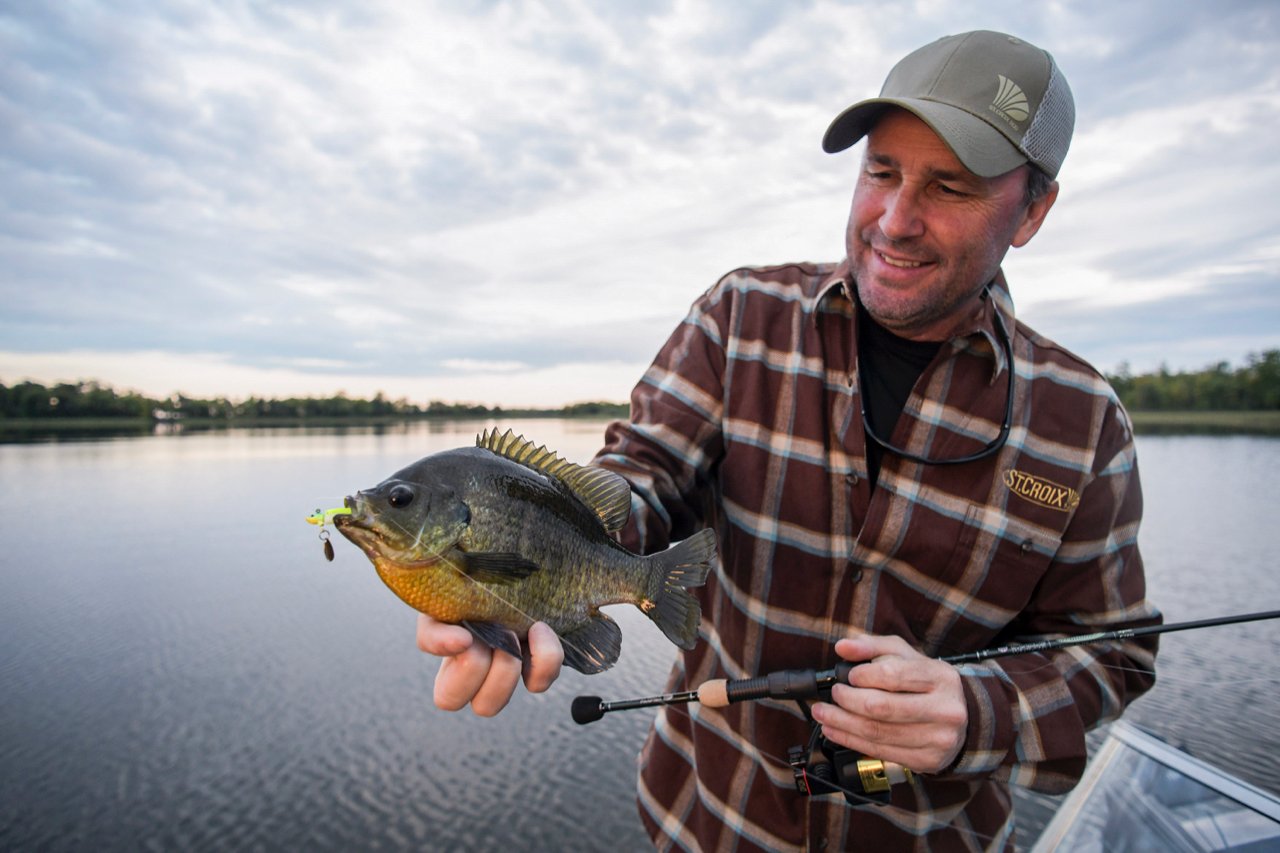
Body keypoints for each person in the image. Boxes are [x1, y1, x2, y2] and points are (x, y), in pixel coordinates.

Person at [417, 29, 1161, 850]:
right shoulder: (741, 319)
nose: (896, 219)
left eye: (949, 187)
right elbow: (641, 473)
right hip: (706, 823)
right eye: (881, 172)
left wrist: (977, 713)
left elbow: (1113, 652)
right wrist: (514, 573)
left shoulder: (1083, 423)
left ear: (1033, 210)